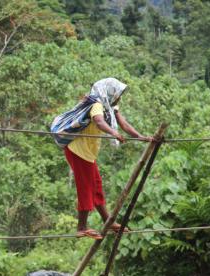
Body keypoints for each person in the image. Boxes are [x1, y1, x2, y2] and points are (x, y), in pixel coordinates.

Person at [63, 78, 152, 239]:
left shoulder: (109, 106)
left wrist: (140, 137)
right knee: (86, 187)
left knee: (96, 184)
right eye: (118, 94)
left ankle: (108, 221)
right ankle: (81, 227)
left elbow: (123, 123)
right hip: (78, 150)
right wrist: (113, 133)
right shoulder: (96, 104)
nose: (119, 98)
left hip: (87, 153)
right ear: (110, 92)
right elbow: (98, 122)